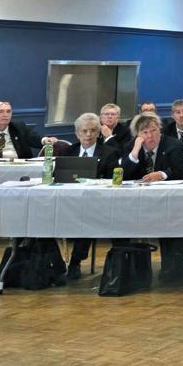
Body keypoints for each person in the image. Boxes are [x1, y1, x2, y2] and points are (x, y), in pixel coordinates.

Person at [121, 113, 183, 283]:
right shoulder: (131, 146)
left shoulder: (173, 145)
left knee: (176, 220)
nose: (150, 136)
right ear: (138, 135)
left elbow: (182, 172)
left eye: (154, 130)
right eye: (145, 132)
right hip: (139, 202)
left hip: (170, 201)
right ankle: (134, 267)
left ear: (160, 130)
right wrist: (135, 151)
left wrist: (162, 174)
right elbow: (123, 174)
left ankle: (173, 262)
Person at [59, 112, 122, 279]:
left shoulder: (109, 153)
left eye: (93, 130)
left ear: (99, 132)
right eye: (84, 131)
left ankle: (75, 262)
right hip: (69, 202)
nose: (88, 134)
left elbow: (112, 181)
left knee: (85, 216)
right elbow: (58, 178)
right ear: (77, 133)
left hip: (99, 203)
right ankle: (51, 263)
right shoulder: (68, 152)